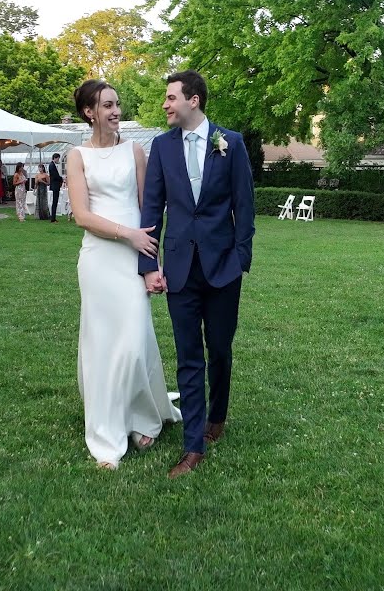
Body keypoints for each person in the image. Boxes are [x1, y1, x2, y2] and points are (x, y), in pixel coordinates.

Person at [138, 70, 255, 479]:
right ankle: (192, 447)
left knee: (219, 350)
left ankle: (217, 417)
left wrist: (241, 257)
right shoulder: (161, 147)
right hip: (179, 271)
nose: (166, 104)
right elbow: (152, 209)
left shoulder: (231, 143)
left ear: (195, 100)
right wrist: (149, 266)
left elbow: (244, 204)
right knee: (189, 357)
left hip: (223, 268)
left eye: (171, 98)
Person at [68, 79, 181, 470]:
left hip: (134, 261)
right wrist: (127, 234)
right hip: (99, 260)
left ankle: (143, 416)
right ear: (90, 112)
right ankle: (107, 434)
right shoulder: (76, 155)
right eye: (109, 105)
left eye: (118, 104)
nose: (116, 112)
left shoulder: (134, 150)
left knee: (134, 342)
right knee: (103, 347)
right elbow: (81, 215)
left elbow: (149, 207)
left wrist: (151, 262)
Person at [48, 152, 65, 223]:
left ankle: (53, 217)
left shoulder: (53, 165)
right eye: (58, 158)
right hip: (55, 185)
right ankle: (53, 218)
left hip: (55, 185)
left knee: (55, 201)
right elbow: (55, 176)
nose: (58, 160)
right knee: (55, 202)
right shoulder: (52, 165)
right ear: (55, 158)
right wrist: (61, 179)